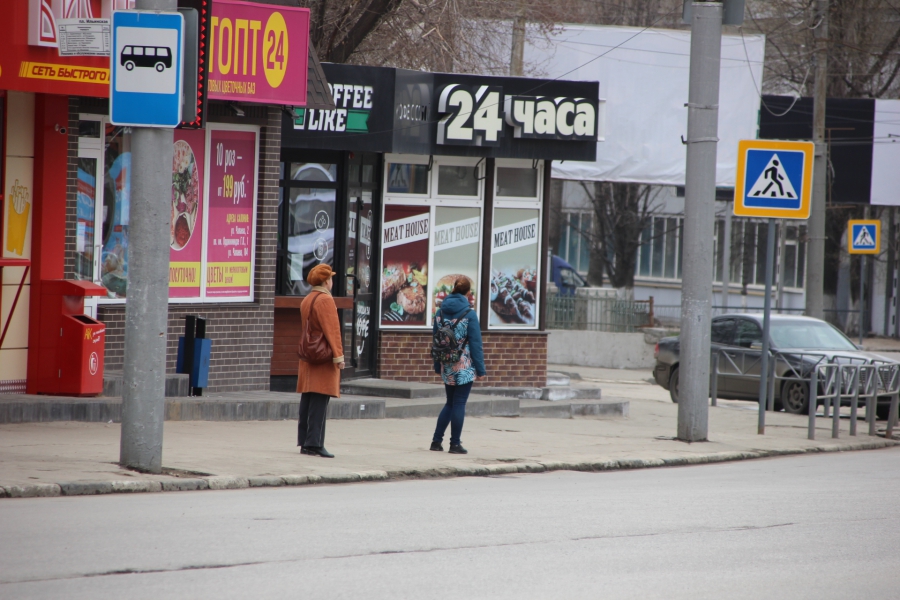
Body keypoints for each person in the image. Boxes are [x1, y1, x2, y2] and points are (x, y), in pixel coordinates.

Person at [430, 277, 486, 455]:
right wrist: (481, 369)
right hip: (464, 364)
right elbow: (476, 344)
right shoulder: (469, 314)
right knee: (459, 403)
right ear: (468, 293)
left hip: (446, 361)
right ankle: (455, 444)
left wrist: (437, 364)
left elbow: (436, 341)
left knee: (449, 403)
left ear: (454, 288)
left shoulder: (439, 313)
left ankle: (436, 441)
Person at [297, 264, 345, 458]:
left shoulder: (307, 299)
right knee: (320, 398)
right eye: (331, 278)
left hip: (308, 355)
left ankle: (305, 442)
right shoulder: (325, 299)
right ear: (327, 281)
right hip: (322, 356)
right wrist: (339, 356)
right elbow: (332, 330)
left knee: (307, 398)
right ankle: (315, 443)